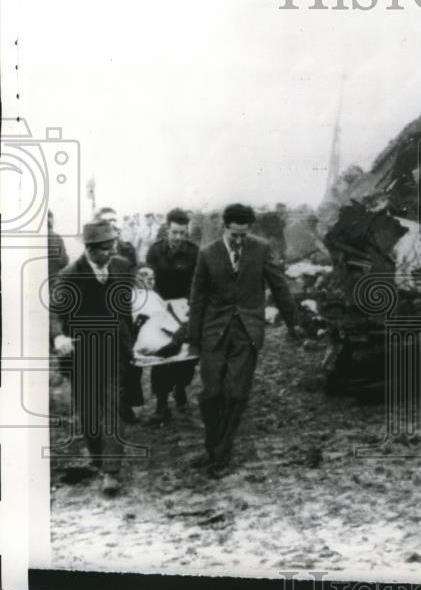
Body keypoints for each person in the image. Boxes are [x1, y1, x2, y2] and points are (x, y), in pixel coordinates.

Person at [186, 203, 301, 477]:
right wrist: (193, 340)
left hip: (247, 333)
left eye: (243, 235)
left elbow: (279, 285)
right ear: (225, 227)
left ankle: (221, 456)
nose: (239, 240)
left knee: (236, 394)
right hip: (214, 334)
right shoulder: (207, 253)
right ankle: (212, 447)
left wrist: (294, 322)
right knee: (211, 394)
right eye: (234, 235)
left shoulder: (260, 249)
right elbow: (198, 298)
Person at [49, 221, 134, 497]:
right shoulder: (70, 275)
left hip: (113, 350)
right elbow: (55, 313)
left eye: (113, 246)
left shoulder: (121, 267)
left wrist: (132, 341)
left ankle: (110, 472)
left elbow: (126, 308)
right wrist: (58, 338)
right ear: (89, 249)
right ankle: (98, 459)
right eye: (104, 248)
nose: (110, 252)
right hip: (82, 351)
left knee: (113, 407)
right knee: (88, 413)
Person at [144, 208, 200, 422]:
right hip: (161, 308)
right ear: (167, 230)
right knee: (161, 356)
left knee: (186, 356)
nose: (178, 237)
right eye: (174, 232)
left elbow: (199, 283)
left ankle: (181, 391)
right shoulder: (155, 251)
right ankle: (160, 404)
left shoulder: (194, 252)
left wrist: (191, 307)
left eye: (182, 233)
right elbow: (148, 280)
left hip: (186, 308)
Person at [95, 206, 141, 419]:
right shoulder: (95, 249)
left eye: (114, 220)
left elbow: (133, 278)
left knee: (129, 360)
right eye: (106, 221)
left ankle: (128, 404)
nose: (112, 225)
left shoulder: (126, 248)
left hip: (125, 312)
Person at [47, 210, 69, 279]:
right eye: (53, 219)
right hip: (52, 280)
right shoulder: (55, 237)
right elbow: (63, 261)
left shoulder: (33, 238)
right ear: (50, 219)